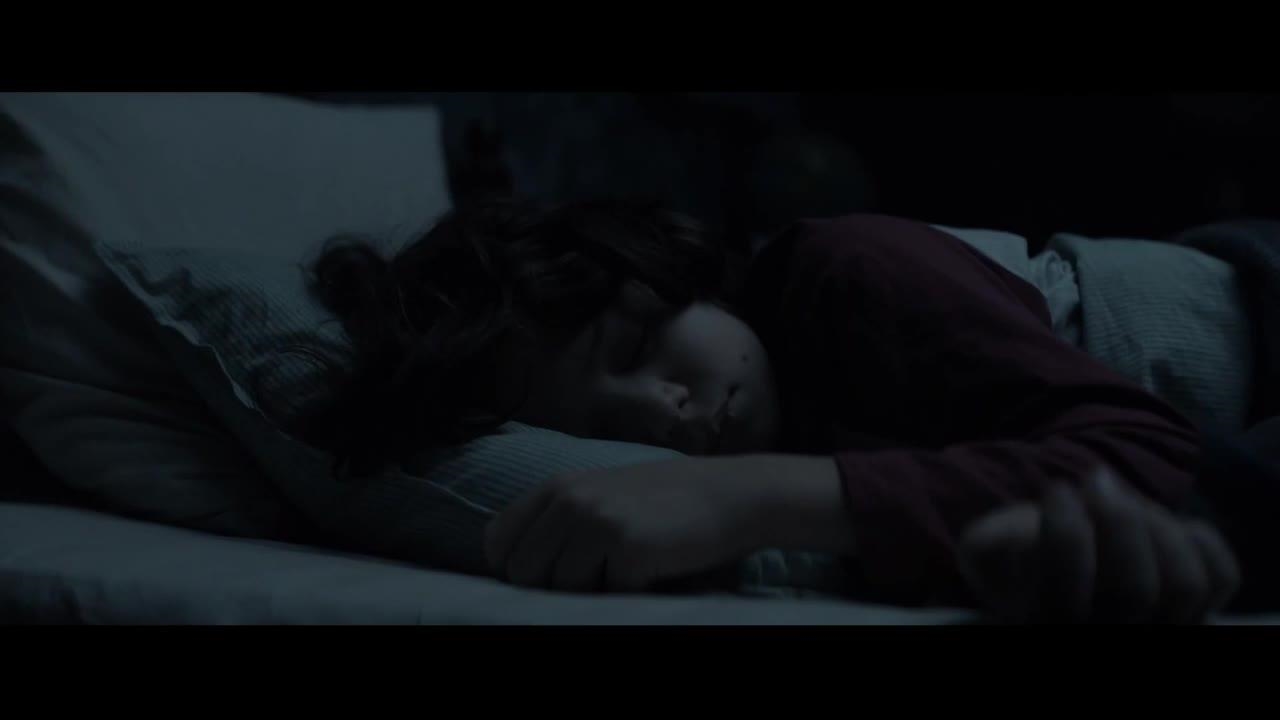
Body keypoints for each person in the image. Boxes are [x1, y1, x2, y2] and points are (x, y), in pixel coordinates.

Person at [304, 198, 1219, 616]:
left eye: (639, 349)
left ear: (683, 278)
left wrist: (761, 495)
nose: (665, 412)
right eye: (608, 433)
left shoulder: (844, 270)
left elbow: (1156, 456)